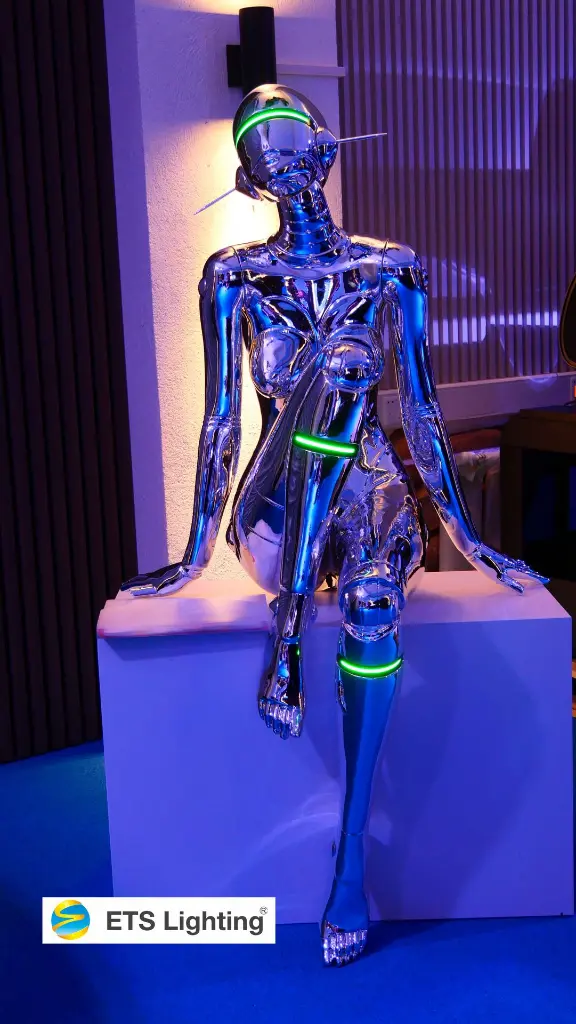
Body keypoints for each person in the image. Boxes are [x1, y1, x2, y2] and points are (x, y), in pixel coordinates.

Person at [123, 85, 546, 966]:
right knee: (346, 363)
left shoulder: (392, 269)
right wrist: (192, 555)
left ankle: (349, 855)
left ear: (326, 145)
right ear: (249, 178)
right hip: (279, 510)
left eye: (291, 133)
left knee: (373, 607)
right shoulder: (235, 277)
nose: (281, 154)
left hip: (370, 495)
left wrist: (471, 542)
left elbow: (422, 414)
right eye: (260, 145)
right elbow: (222, 422)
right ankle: (286, 627)